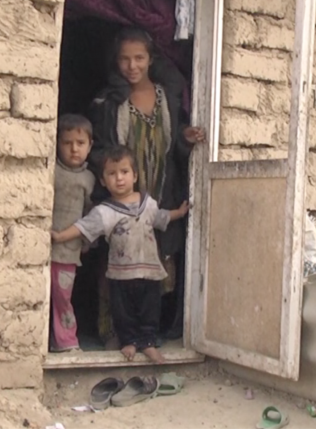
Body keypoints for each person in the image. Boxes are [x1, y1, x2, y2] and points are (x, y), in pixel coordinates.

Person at [88, 27, 205, 348]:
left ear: (151, 59)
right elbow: (99, 148)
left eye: (139, 58)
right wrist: (116, 183)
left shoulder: (166, 97)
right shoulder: (110, 100)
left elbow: (171, 144)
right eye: (124, 59)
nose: (132, 66)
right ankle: (113, 331)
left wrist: (185, 138)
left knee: (156, 265)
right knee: (118, 262)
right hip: (121, 195)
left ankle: (148, 334)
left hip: (159, 190)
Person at [51, 145, 190, 363]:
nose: (119, 178)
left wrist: (179, 213)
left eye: (124, 172)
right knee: (123, 312)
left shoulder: (147, 203)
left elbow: (160, 217)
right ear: (103, 181)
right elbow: (83, 226)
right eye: (112, 174)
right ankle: (129, 342)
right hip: (120, 274)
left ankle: (148, 343)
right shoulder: (104, 211)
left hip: (149, 271)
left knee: (150, 310)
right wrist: (60, 236)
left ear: (135, 176)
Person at [49, 114, 96, 353]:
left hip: (69, 251)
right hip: (42, 247)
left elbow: (90, 215)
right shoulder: (50, 171)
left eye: (80, 143)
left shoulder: (89, 179)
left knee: (62, 296)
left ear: (90, 146)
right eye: (67, 143)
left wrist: (86, 242)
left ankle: (66, 340)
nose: (74, 149)